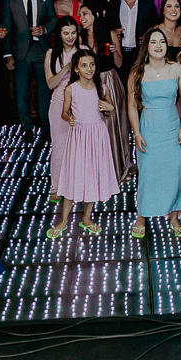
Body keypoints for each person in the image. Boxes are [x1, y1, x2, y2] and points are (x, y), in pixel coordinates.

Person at [46, 49, 120, 238]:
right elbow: (64, 112)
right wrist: (68, 117)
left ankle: (87, 217)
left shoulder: (101, 87)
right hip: (79, 136)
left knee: (92, 175)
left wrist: (109, 107)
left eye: (92, 64)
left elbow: (111, 108)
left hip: (97, 135)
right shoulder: (71, 89)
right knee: (74, 174)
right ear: (77, 69)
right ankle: (63, 220)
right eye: (84, 65)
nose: (89, 69)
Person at [128, 28, 181, 238]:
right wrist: (136, 133)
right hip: (149, 127)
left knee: (175, 172)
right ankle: (142, 215)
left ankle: (173, 216)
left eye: (161, 42)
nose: (158, 46)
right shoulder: (137, 72)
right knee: (148, 173)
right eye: (153, 42)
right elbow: (131, 105)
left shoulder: (177, 69)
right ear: (146, 46)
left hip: (172, 126)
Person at [1, 0, 56, 137]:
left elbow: (53, 19)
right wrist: (7, 54)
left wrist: (44, 29)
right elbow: (5, 27)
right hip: (19, 52)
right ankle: (26, 127)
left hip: (41, 49)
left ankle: (45, 127)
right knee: (22, 91)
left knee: (44, 91)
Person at [78, 2, 129, 182]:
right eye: (80, 15)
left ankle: (116, 169)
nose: (81, 17)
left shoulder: (110, 34)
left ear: (95, 15)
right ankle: (95, 172)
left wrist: (115, 51)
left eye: (84, 13)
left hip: (109, 81)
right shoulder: (79, 37)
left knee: (113, 126)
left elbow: (120, 63)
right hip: (88, 85)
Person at [44, 16, 79, 202]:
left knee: (81, 146)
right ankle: (56, 186)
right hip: (58, 102)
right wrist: (67, 67)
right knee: (59, 146)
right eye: (66, 33)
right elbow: (50, 83)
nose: (70, 37)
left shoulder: (83, 51)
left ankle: (79, 183)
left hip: (80, 102)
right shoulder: (51, 53)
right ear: (59, 34)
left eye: (73, 33)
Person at [111, 0, 159, 79]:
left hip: (140, 53)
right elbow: (108, 26)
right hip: (120, 53)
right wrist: (114, 32)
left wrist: (147, 36)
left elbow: (155, 26)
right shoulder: (113, 5)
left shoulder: (148, 4)